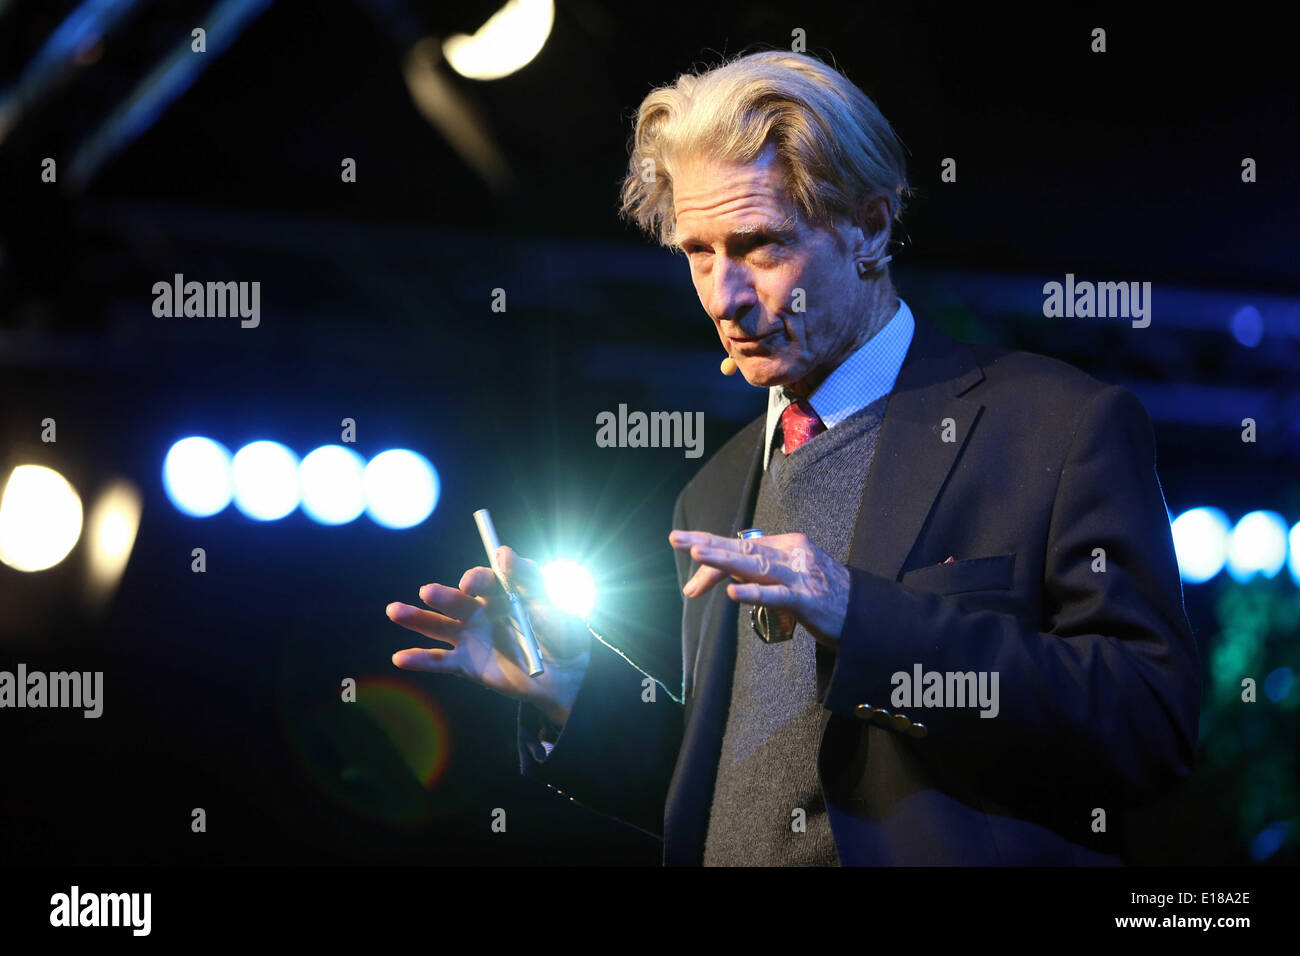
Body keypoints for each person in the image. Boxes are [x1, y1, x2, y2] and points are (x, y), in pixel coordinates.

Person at [385, 50, 1201, 866]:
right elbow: (734, 802)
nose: (722, 295)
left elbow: (1148, 725)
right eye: (698, 251)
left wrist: (862, 614)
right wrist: (566, 695)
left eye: (760, 246)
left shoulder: (1056, 426)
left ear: (872, 228)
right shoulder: (711, 493)